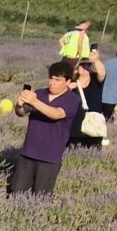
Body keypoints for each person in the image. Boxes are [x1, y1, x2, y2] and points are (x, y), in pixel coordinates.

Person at [9, 61, 82, 196]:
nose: (52, 82)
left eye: (57, 80)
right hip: (28, 153)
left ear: (67, 82)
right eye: (51, 78)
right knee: (17, 194)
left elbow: (56, 114)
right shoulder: (39, 93)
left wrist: (34, 101)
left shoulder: (72, 99)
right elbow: (21, 113)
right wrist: (19, 105)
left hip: (50, 157)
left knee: (41, 198)